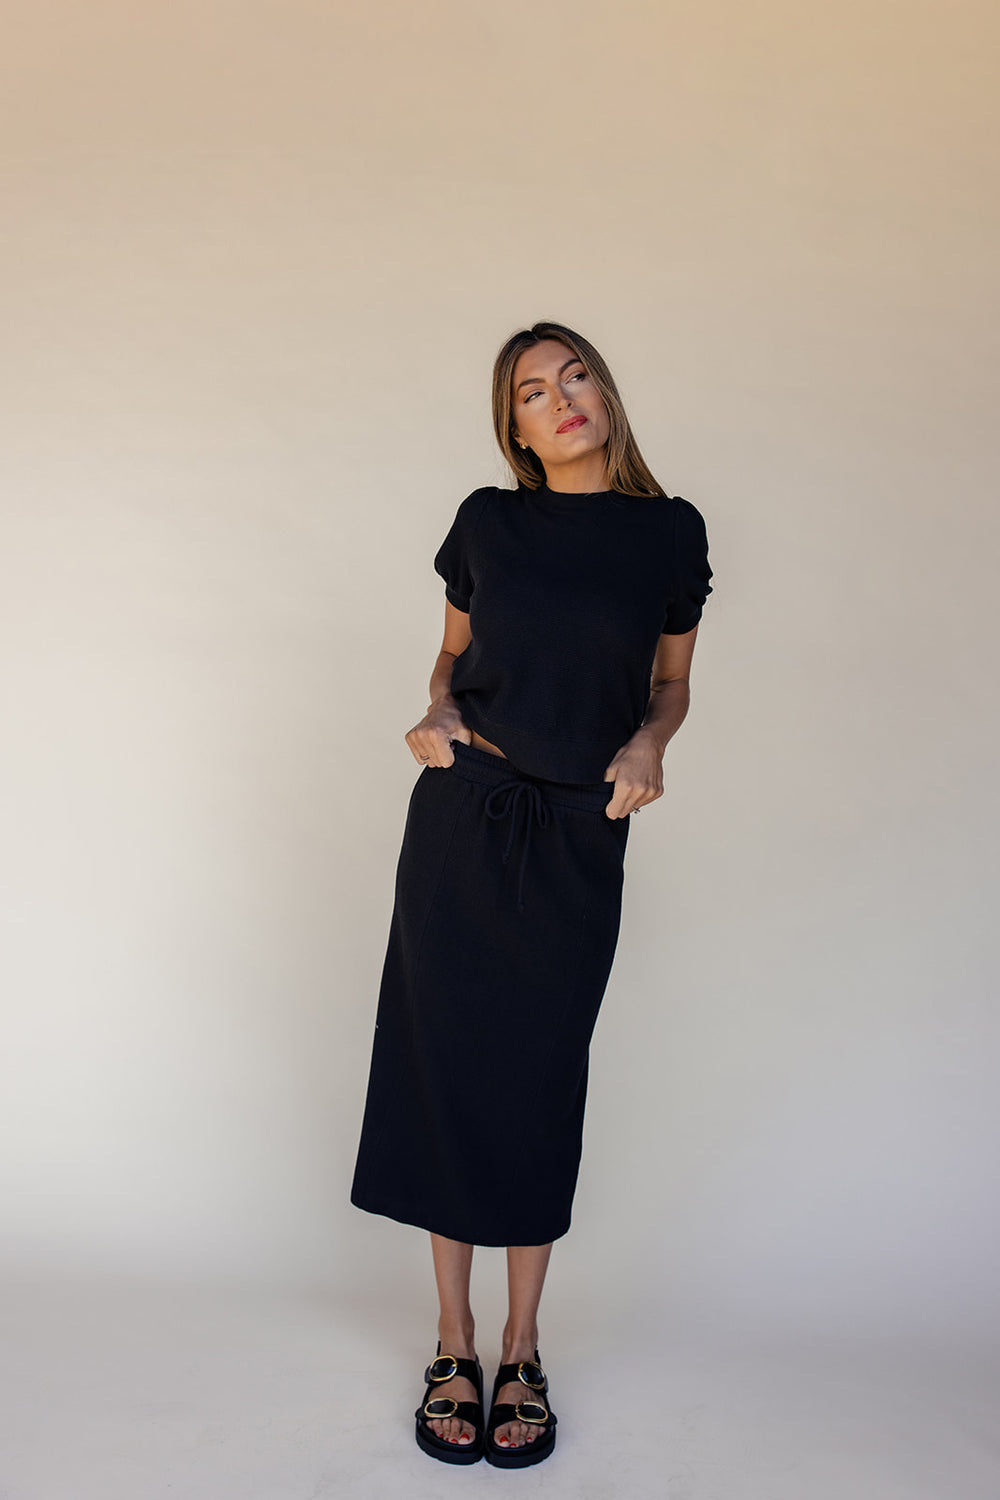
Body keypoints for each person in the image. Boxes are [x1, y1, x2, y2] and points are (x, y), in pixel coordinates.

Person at [350, 320, 712, 1468]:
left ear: (604, 392)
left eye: (575, 376)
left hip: (575, 833)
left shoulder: (669, 533)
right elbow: (449, 659)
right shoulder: (486, 522)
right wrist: (438, 709)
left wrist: (647, 744)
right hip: (463, 817)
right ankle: (453, 1342)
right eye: (531, 391)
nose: (560, 399)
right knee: (448, 1069)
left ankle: (523, 1345)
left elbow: (671, 683)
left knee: (538, 1079)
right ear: (513, 429)